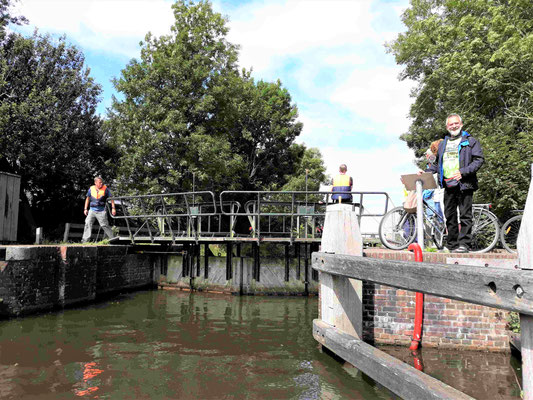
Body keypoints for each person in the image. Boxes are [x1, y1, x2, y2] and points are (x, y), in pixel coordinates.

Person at [424, 114, 484, 253]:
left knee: (465, 215)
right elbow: (437, 164)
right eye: (451, 124)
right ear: (447, 127)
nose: (454, 126)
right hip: (448, 184)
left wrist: (463, 172)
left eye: (456, 123)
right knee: (449, 215)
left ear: (461, 124)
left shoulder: (471, 141)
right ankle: (452, 245)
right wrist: (425, 171)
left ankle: (464, 245)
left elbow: (478, 160)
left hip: (464, 184)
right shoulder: (443, 144)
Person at [82, 176, 116, 242]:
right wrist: (85, 209)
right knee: (87, 223)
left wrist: (113, 208)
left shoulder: (105, 189)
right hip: (91, 210)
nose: (101, 184)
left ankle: (113, 239)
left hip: (101, 211)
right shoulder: (91, 189)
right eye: (100, 182)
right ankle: (85, 241)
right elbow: (87, 199)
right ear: (95, 183)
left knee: (104, 225)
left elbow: (111, 198)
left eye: (102, 182)